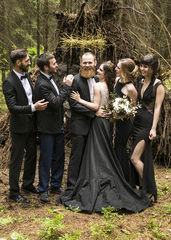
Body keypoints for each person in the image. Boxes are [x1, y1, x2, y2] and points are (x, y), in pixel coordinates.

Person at [57, 61, 152, 213]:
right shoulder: (111, 86)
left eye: (100, 70)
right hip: (107, 124)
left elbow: (96, 107)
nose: (97, 72)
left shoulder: (98, 85)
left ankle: (96, 178)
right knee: (105, 150)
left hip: (98, 123)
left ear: (104, 73)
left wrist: (79, 99)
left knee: (97, 153)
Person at [2, 49, 48, 203]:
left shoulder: (27, 76)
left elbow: (30, 97)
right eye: (27, 61)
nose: (29, 63)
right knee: (17, 159)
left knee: (32, 155)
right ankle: (14, 193)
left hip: (31, 124)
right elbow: (12, 108)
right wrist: (33, 108)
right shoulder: (9, 82)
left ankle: (27, 185)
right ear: (18, 62)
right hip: (19, 126)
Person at [34, 53, 73, 202]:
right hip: (46, 128)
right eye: (54, 63)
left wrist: (61, 115)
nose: (57, 65)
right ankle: (43, 189)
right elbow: (56, 101)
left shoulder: (50, 79)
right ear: (46, 67)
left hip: (57, 125)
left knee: (59, 156)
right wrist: (67, 88)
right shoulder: (42, 84)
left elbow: (54, 105)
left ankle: (56, 184)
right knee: (46, 158)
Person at [130, 53, 165, 203]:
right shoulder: (141, 81)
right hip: (136, 123)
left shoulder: (159, 85)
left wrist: (153, 128)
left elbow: (157, 108)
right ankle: (142, 189)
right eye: (141, 65)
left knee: (134, 158)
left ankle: (150, 188)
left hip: (146, 125)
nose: (142, 68)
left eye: (145, 66)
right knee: (138, 157)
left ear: (152, 68)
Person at [66, 52, 98, 191]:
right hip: (79, 125)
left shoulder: (98, 79)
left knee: (91, 155)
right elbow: (74, 105)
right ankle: (72, 185)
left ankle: (87, 182)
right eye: (84, 63)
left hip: (96, 126)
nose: (87, 65)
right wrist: (93, 113)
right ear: (80, 63)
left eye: (89, 62)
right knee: (77, 155)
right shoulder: (75, 81)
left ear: (95, 63)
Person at [113, 58, 138, 185]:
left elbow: (134, 108)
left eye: (118, 67)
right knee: (114, 149)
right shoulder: (117, 81)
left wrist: (122, 114)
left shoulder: (131, 88)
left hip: (124, 125)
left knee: (120, 149)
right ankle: (116, 177)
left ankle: (126, 181)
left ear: (124, 70)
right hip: (114, 122)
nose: (116, 69)